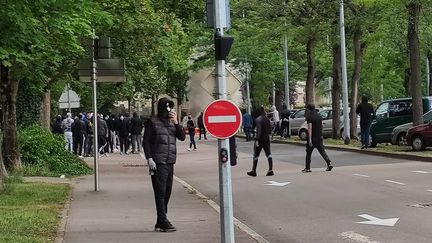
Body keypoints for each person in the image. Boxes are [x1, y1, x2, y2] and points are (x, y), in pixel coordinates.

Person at [143, 97, 185, 232]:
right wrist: (149, 158)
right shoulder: (152, 122)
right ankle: (163, 219)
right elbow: (146, 142)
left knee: (167, 191)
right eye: (167, 108)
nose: (169, 111)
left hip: (170, 161)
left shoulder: (172, 123)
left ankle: (160, 220)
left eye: (170, 108)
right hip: (158, 162)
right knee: (160, 192)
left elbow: (182, 137)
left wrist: (177, 123)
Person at [302, 104, 333, 173]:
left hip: (313, 138)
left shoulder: (310, 117)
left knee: (308, 153)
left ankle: (308, 168)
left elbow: (310, 129)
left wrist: (309, 139)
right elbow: (321, 126)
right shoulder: (319, 116)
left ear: (308, 109)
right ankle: (329, 163)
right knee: (322, 151)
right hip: (319, 137)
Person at [247, 106, 274, 177]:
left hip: (260, 139)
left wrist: (256, 139)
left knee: (256, 155)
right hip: (267, 138)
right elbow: (270, 130)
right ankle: (270, 170)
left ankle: (254, 171)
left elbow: (258, 131)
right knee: (268, 154)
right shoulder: (267, 119)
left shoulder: (258, 120)